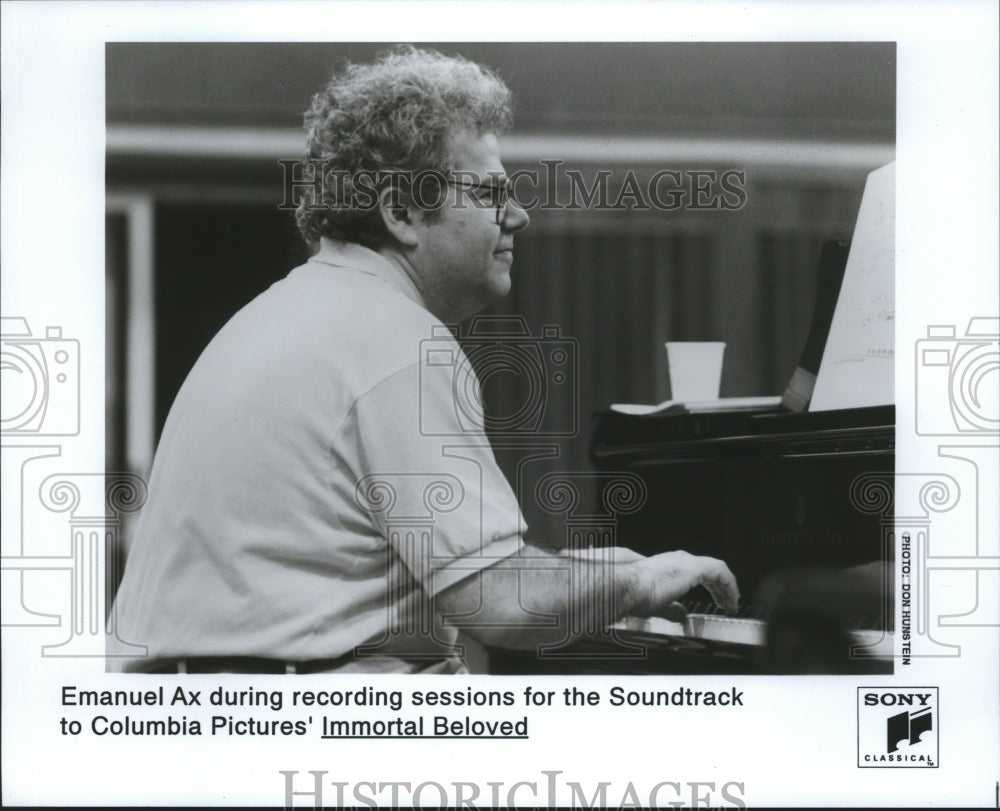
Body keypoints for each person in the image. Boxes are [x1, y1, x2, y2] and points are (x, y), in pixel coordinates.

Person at [108, 46, 738, 674]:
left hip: (206, 721)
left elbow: (426, 571)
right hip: (312, 736)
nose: (517, 216)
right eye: (491, 193)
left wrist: (603, 572)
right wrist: (650, 581)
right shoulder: (398, 343)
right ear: (403, 211)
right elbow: (505, 608)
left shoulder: (285, 314)